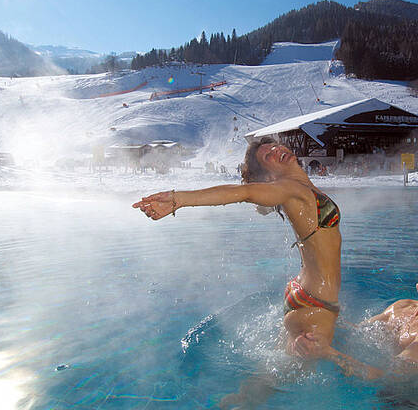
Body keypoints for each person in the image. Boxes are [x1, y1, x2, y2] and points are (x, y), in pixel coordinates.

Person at [132, 136, 342, 354]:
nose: (276, 151)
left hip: (304, 291)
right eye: (267, 156)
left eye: (275, 146)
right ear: (268, 174)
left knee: (271, 381)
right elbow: (245, 193)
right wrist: (178, 199)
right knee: (368, 377)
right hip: (315, 302)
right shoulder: (288, 188)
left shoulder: (300, 187)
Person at [294, 246, 418, 380]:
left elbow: (385, 377)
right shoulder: (402, 307)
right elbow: (357, 332)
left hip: (411, 404)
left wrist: (327, 353)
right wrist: (317, 313)